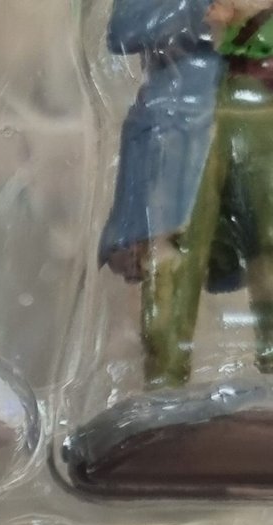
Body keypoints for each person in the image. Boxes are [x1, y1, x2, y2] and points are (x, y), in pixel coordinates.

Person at [99, 0, 273, 387]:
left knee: (268, 244)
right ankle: (165, 381)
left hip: (263, 118)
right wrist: (201, 7)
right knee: (173, 251)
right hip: (184, 122)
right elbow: (124, 31)